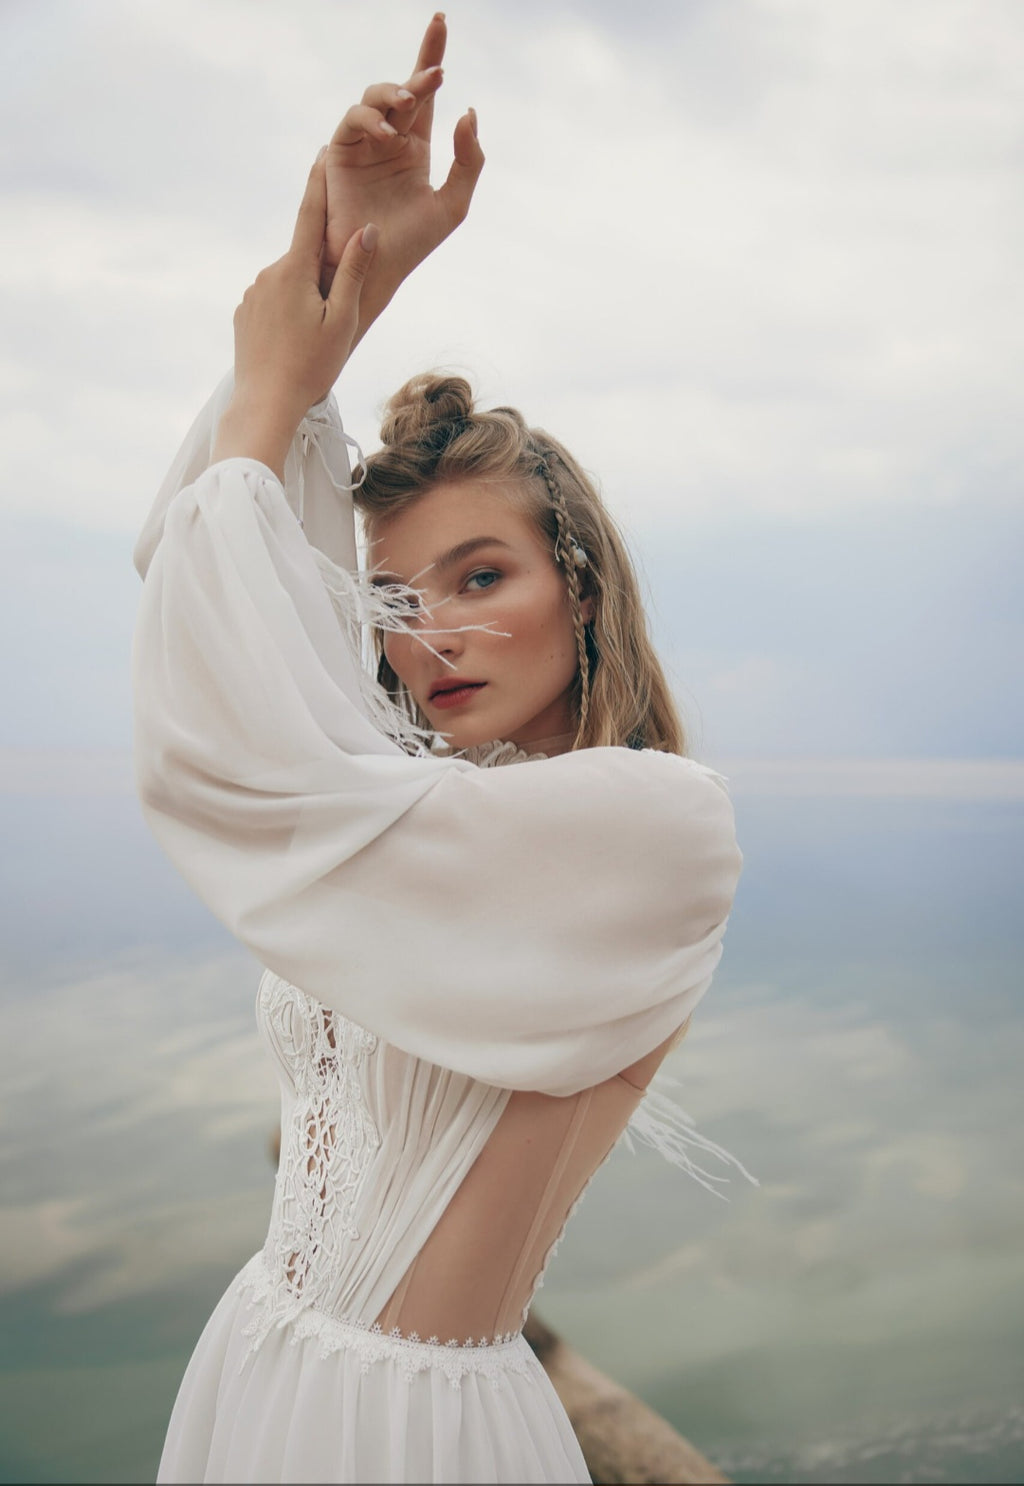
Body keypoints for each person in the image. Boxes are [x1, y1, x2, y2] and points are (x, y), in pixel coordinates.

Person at [132, 15, 747, 1484]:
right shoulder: (411, 814)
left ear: (580, 589)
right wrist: (331, 286)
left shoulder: (658, 827)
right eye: (402, 597)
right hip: (264, 1356)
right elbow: (213, 586)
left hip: (409, 1427)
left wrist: (275, 388)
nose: (437, 634)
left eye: (486, 576)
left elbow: (226, 742)